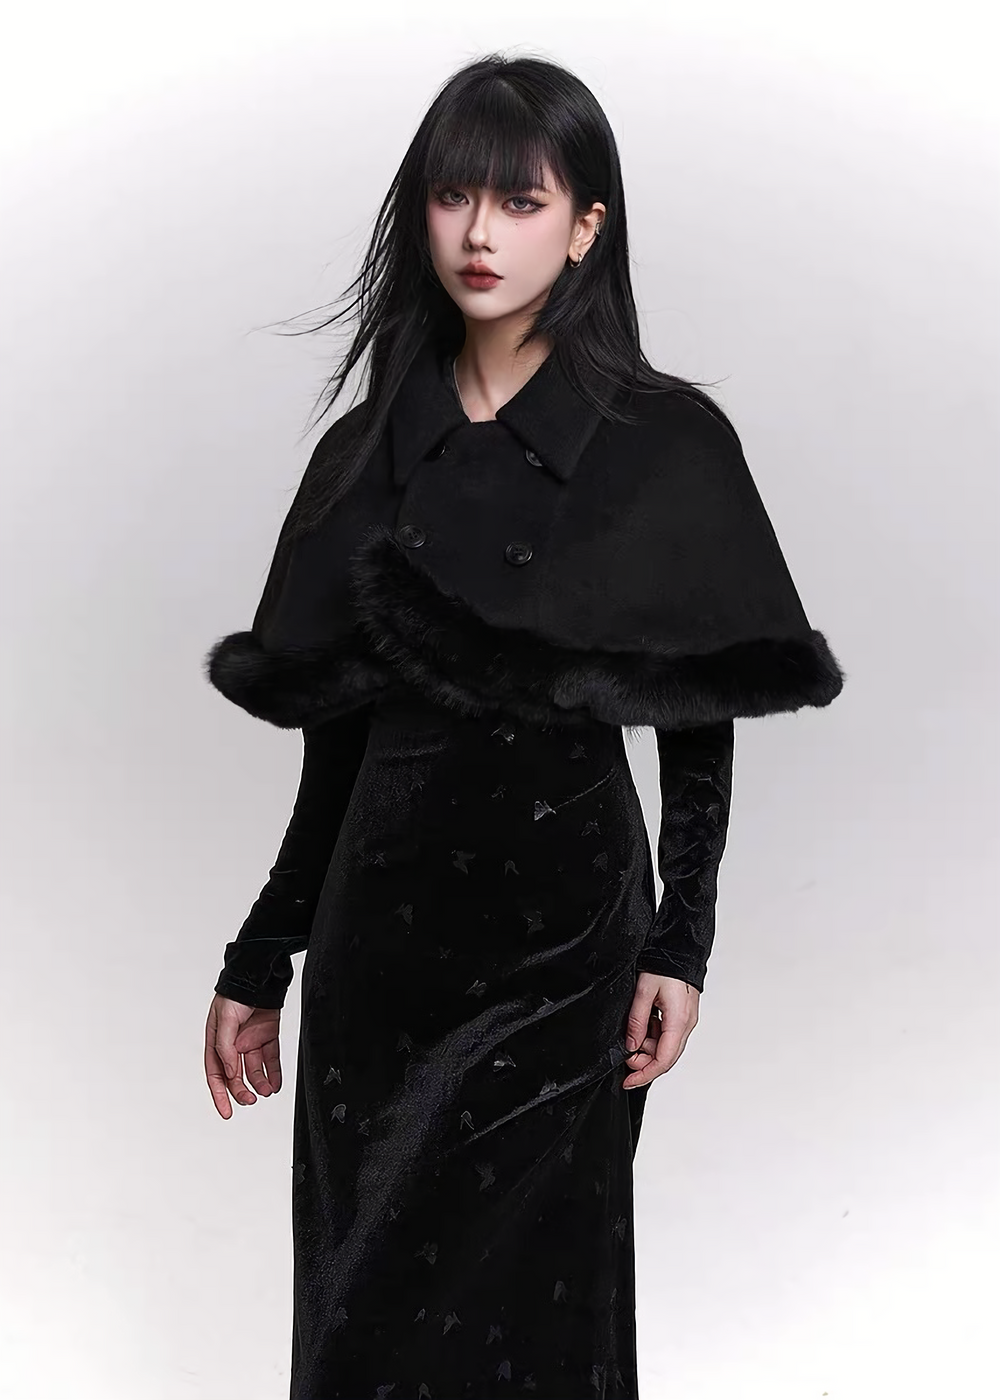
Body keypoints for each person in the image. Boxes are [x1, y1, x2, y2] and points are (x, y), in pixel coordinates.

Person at [201, 51, 845, 1400]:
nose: (480, 234)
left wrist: (683, 941)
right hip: (382, 954)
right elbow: (337, 744)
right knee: (361, 1320)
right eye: (454, 197)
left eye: (520, 200)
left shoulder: (664, 443)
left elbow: (697, 720)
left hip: (568, 951)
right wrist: (265, 950)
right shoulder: (365, 455)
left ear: (587, 225)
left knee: (546, 1326)